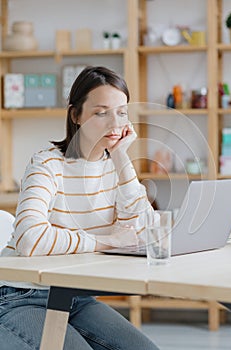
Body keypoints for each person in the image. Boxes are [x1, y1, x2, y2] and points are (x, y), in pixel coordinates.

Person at [0, 66, 159, 350]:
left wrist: (122, 159)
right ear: (76, 115)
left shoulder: (116, 168)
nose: (115, 123)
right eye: (101, 112)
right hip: (20, 295)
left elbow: (147, 233)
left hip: (75, 295)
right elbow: (29, 238)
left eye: (121, 112)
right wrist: (107, 241)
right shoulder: (47, 165)